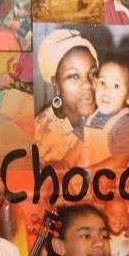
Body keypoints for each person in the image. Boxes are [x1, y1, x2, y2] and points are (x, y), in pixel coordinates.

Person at [35, 29, 98, 168]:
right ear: (56, 83)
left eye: (93, 73)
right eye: (74, 76)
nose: (88, 84)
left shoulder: (112, 117)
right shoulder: (40, 132)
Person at [84, 60, 129, 169]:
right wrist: (65, 162)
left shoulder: (126, 124)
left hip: (116, 177)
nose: (106, 89)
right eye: (102, 83)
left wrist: (88, 172)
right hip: (93, 174)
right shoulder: (92, 117)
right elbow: (79, 146)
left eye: (116, 85)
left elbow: (120, 161)